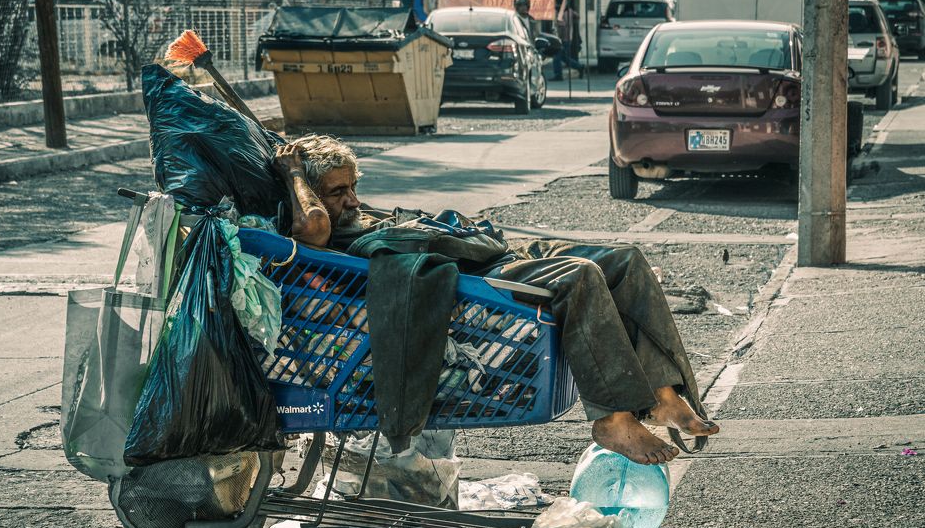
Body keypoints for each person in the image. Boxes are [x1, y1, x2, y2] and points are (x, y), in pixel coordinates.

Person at [273, 135, 720, 466]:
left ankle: (662, 394)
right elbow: (311, 226)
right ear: (311, 194)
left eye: (352, 187)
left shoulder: (355, 212)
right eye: (337, 192)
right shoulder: (323, 233)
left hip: (495, 255)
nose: (351, 199)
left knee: (625, 259)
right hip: (478, 282)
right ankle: (613, 419)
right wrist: (294, 172)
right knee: (580, 276)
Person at [552, 1, 584, 80]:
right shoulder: (570, 11)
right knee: (564, 58)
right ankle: (579, 67)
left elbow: (562, 25)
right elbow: (577, 16)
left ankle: (558, 75)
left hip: (562, 38)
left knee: (556, 58)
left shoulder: (562, 13)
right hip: (567, 38)